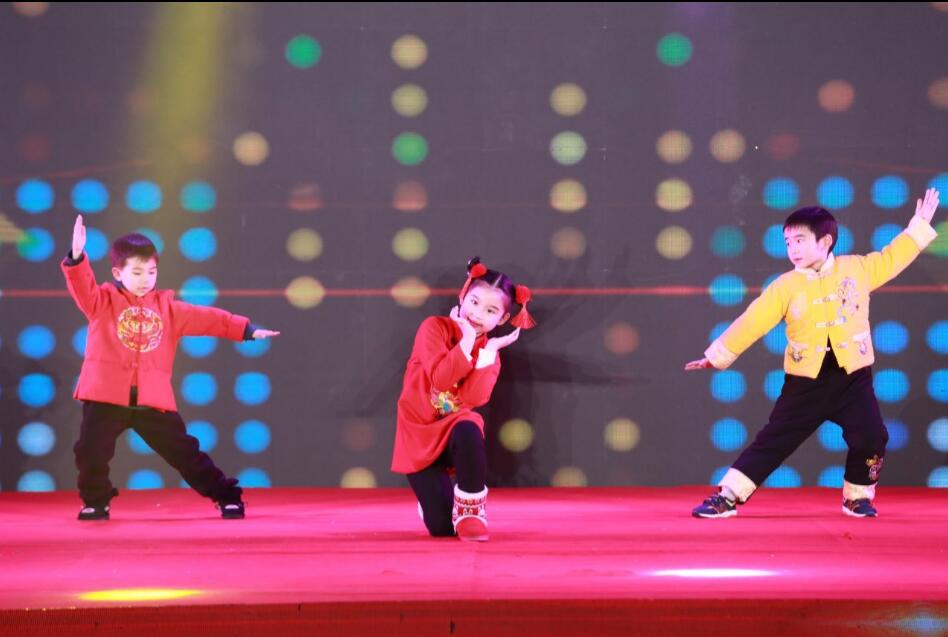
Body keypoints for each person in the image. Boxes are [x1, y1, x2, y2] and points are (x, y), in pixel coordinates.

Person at [686, 188, 940, 518]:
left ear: (825, 241)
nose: (792, 249)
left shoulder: (857, 269)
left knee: (872, 436)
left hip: (853, 379)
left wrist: (918, 226)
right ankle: (727, 496)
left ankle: (857, 497)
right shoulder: (784, 286)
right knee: (774, 439)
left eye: (800, 240)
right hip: (805, 383)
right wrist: (719, 355)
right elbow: (753, 321)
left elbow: (893, 258)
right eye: (788, 242)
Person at [62, 215, 280, 520]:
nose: (145, 279)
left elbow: (209, 319)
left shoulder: (168, 310)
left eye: (151, 272)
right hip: (104, 399)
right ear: (117, 273)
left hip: (152, 401)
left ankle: (226, 495)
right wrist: (76, 257)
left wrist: (246, 329)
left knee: (185, 453)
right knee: (90, 452)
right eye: (137, 272)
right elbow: (82, 286)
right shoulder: (101, 303)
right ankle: (96, 502)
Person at [391, 257, 535, 541]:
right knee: (442, 529)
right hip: (418, 434)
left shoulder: (490, 353)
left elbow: (473, 397)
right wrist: (467, 338)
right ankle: (435, 504)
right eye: (474, 302)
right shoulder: (434, 328)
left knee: (469, 425)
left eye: (490, 310)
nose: (477, 314)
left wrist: (488, 351)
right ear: (463, 296)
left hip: (452, 431)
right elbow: (441, 380)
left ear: (502, 319)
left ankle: (471, 510)